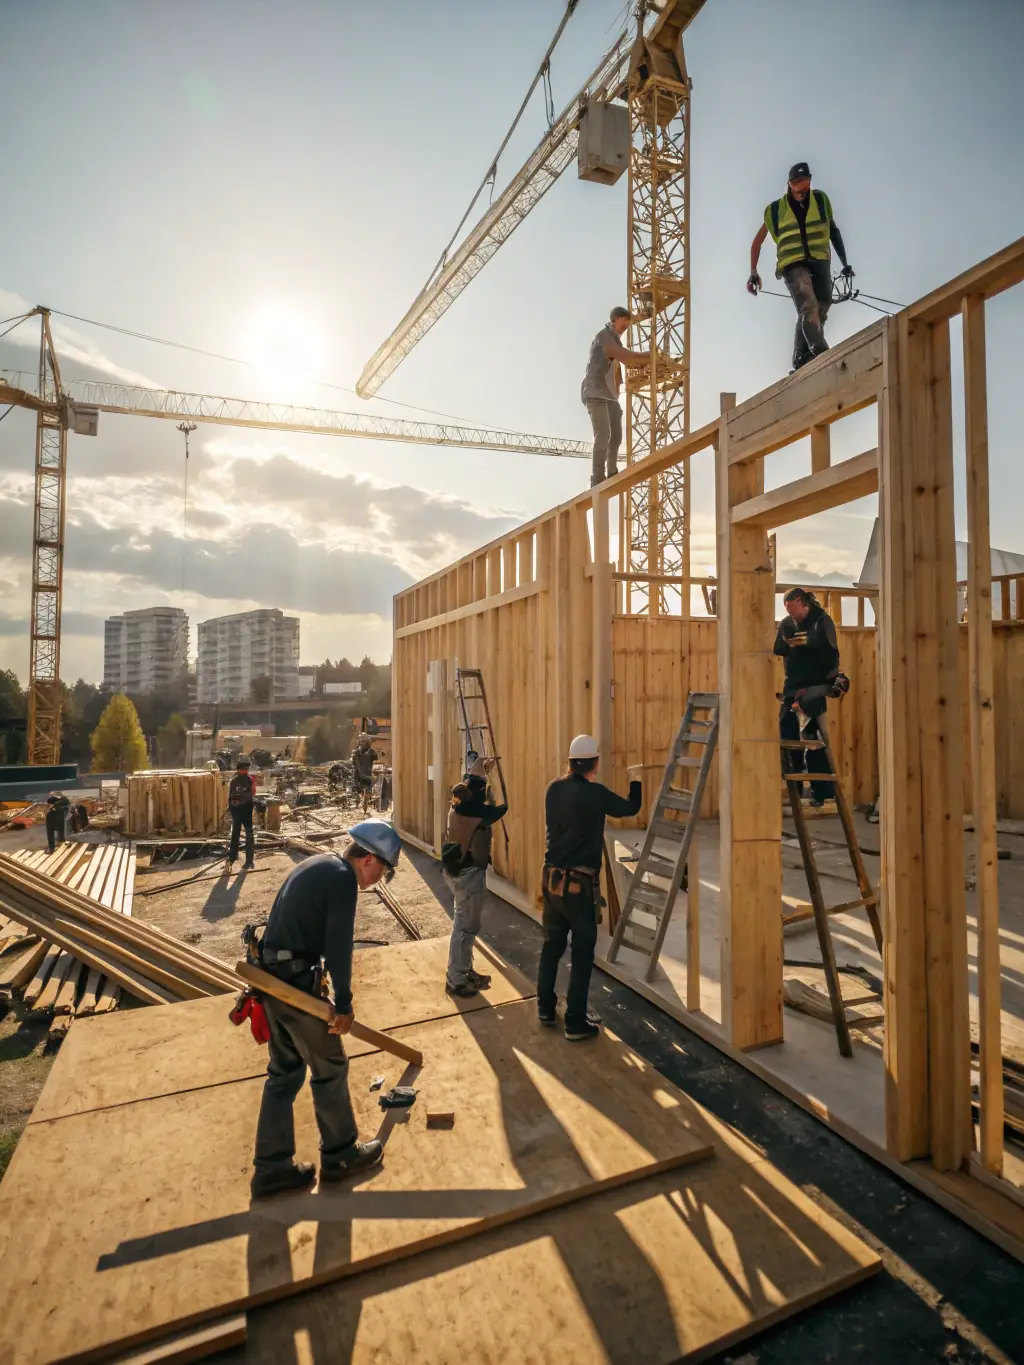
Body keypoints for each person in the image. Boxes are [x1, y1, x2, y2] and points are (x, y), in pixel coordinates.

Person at [251, 819, 402, 1198]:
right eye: (384, 871)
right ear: (369, 859)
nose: (379, 880)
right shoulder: (342, 879)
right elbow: (339, 946)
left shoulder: (319, 864)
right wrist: (345, 1004)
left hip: (273, 979)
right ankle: (340, 1156)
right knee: (330, 1065)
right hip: (294, 982)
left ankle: (270, 1170)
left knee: (284, 1074)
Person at [538, 735, 642, 1041]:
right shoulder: (595, 794)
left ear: (571, 762)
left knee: (551, 946)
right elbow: (630, 808)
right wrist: (636, 780)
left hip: (551, 880)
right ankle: (574, 1022)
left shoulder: (554, 788)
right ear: (594, 763)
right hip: (578, 886)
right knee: (582, 954)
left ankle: (545, 1009)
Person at [747, 162, 855, 372]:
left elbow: (833, 231)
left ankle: (801, 356)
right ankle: (820, 350)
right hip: (792, 263)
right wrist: (753, 272)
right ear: (789, 184)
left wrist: (845, 263)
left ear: (810, 181)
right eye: (797, 186)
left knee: (823, 304)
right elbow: (756, 243)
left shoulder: (820, 200)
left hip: (819, 260)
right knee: (808, 305)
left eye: (805, 186)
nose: (802, 192)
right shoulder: (776, 210)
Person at [440, 756, 508, 999]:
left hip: (458, 871)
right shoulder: (472, 811)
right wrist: (494, 780)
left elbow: (480, 796)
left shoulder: (461, 804)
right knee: (465, 928)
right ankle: (456, 980)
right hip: (468, 874)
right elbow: (501, 808)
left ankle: (464, 971)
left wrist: (480, 772)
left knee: (466, 926)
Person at [774, 587, 842, 806]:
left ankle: (820, 793)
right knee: (788, 736)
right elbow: (779, 649)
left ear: (801, 602)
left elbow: (832, 656)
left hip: (814, 686)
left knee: (813, 740)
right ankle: (794, 791)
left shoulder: (821, 621)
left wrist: (809, 642)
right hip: (792, 685)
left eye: (791, 607)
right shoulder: (787, 623)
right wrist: (787, 640)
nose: (789, 612)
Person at [581, 307, 650, 488]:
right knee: (603, 434)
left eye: (628, 322)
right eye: (624, 321)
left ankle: (612, 472)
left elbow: (628, 362)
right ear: (615, 319)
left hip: (609, 394)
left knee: (616, 436)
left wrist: (643, 365)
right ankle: (597, 478)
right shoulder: (604, 337)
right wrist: (650, 356)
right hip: (595, 392)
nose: (627, 325)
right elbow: (626, 357)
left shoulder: (615, 340)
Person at [227, 756, 256, 870]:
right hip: (238, 811)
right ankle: (233, 856)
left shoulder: (249, 779)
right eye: (244, 769)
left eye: (246, 769)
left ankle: (249, 861)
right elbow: (231, 798)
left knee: (249, 835)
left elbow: (253, 793)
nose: (245, 770)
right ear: (239, 769)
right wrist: (234, 807)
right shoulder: (234, 781)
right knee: (235, 834)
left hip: (247, 810)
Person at [351, 732, 377, 815]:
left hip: (360, 777)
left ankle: (364, 808)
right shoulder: (370, 752)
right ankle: (364, 808)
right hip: (363, 777)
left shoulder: (356, 752)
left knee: (365, 795)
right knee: (366, 794)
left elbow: (353, 764)